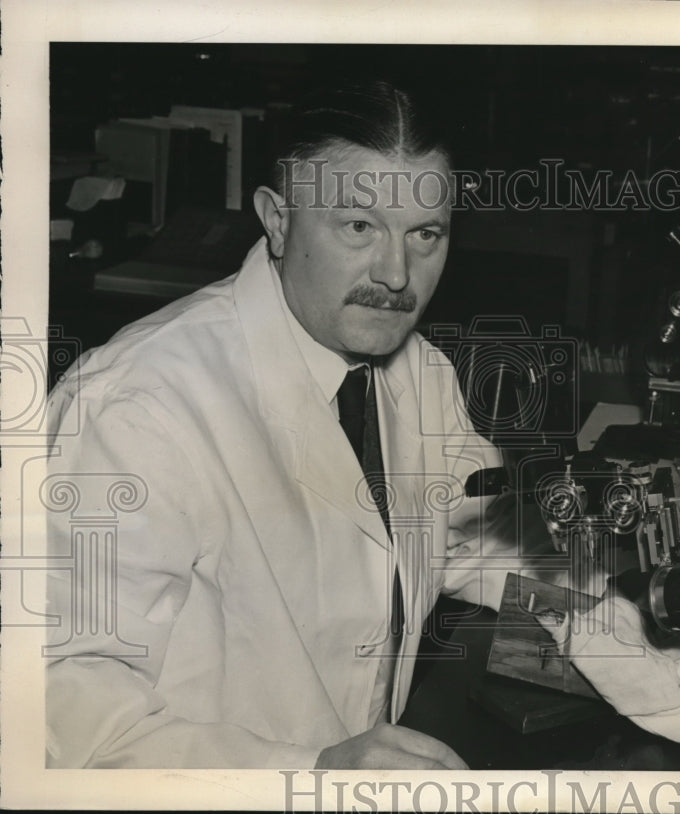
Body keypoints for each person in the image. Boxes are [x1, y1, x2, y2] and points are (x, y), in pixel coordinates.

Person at [44, 79, 557, 770]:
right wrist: (311, 774)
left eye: (425, 235)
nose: (397, 274)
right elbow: (58, 712)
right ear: (278, 220)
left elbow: (480, 544)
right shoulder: (139, 405)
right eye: (358, 227)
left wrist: (668, 657)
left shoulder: (418, 375)